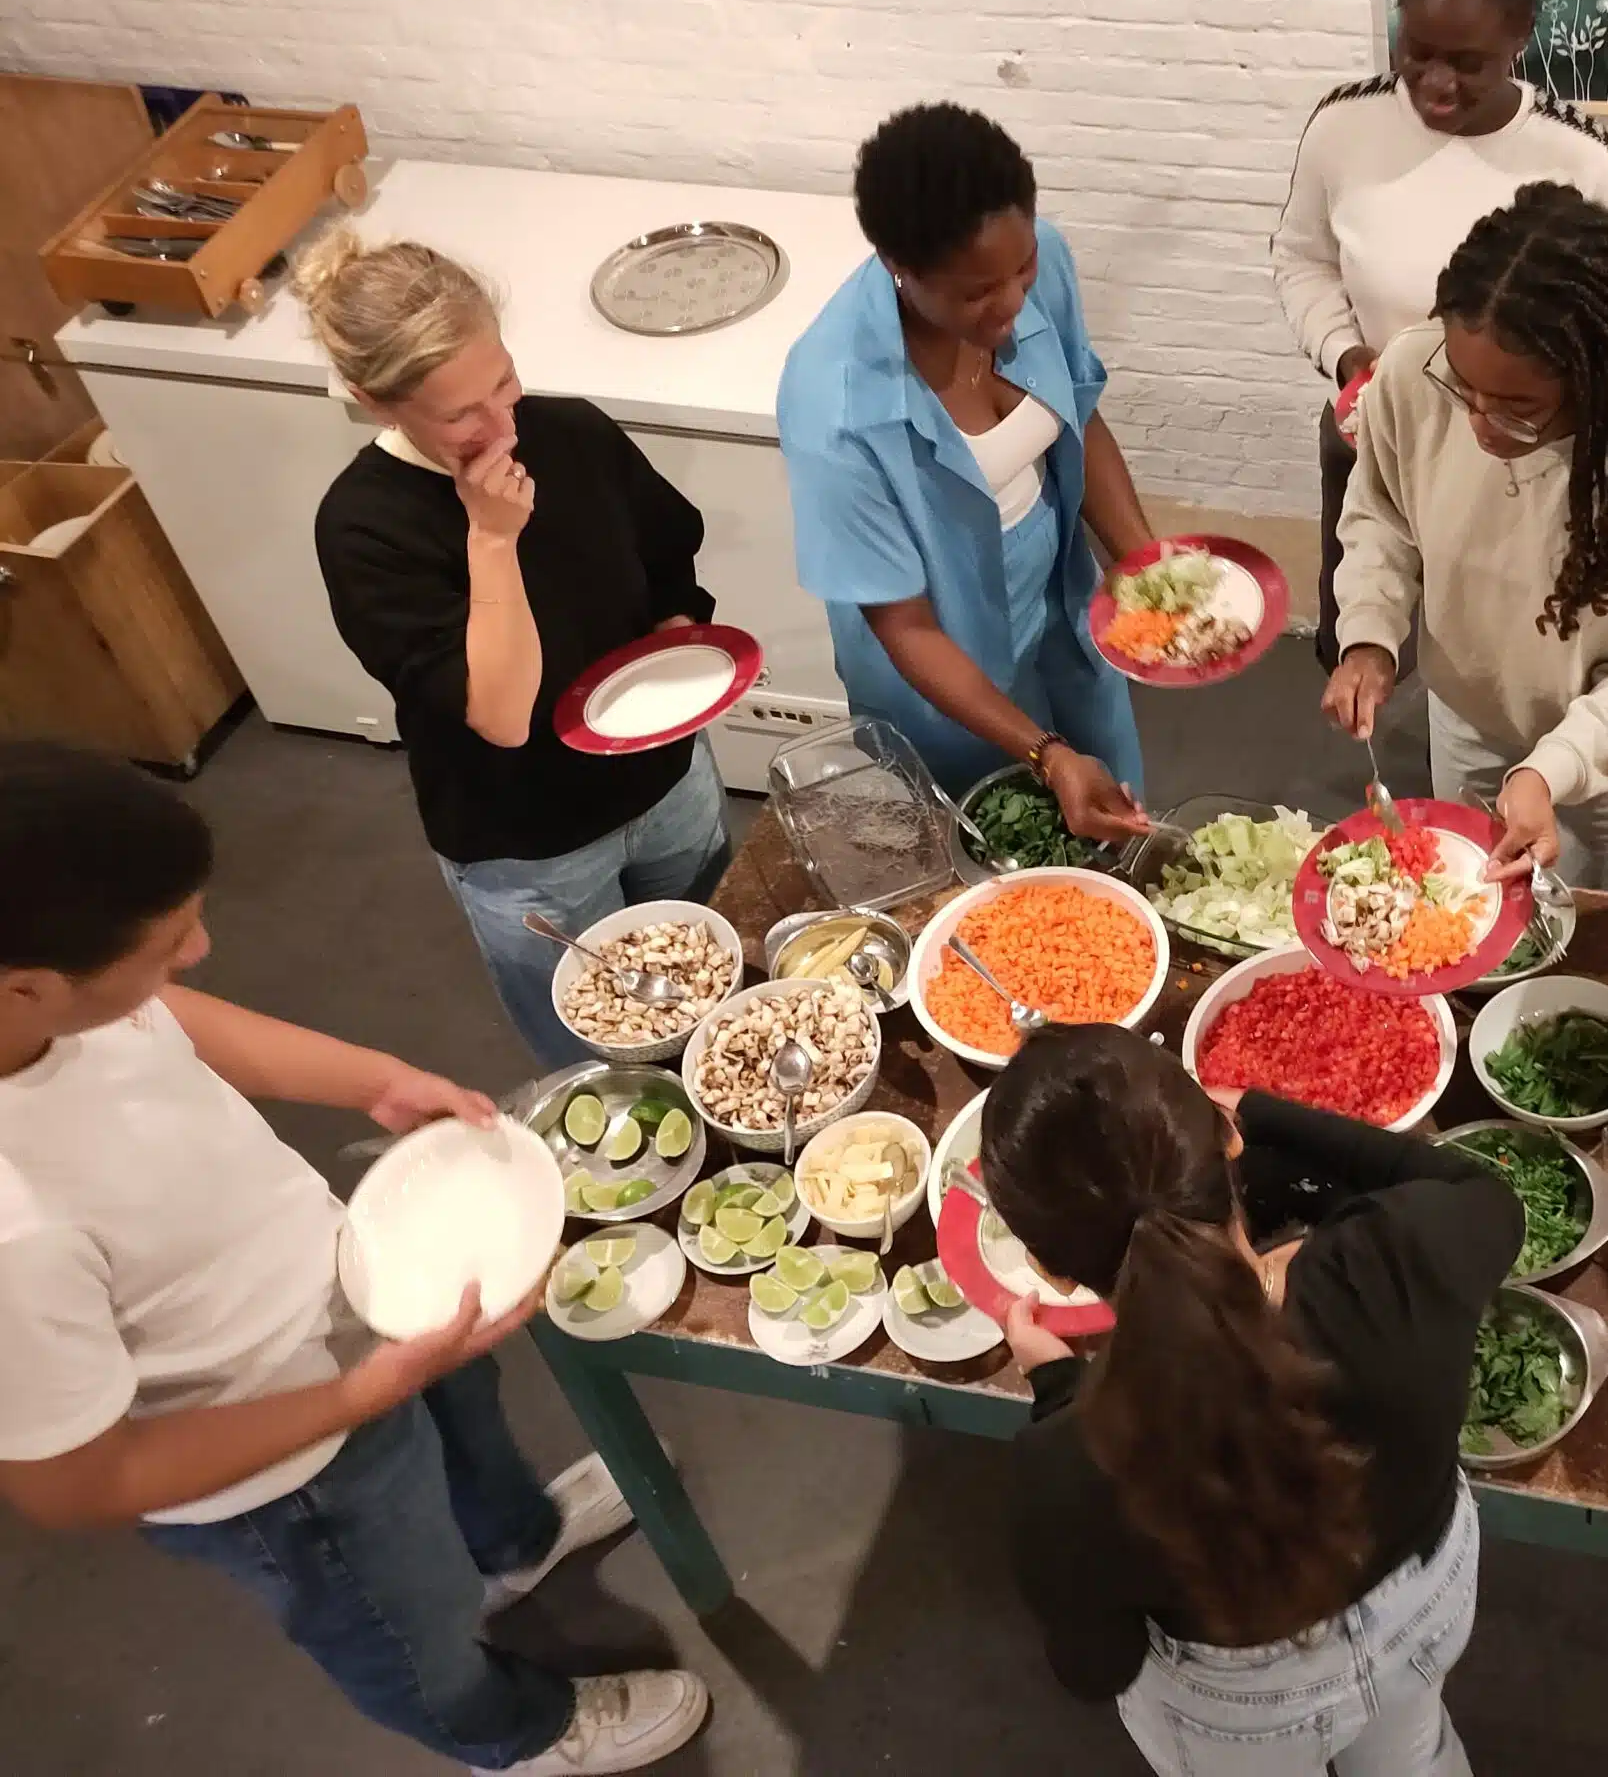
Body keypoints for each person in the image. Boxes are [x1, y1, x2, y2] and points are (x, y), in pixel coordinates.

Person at [0, 740, 709, 1774]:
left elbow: (180, 1023)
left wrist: (374, 1080)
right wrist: (361, 1395)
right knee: (403, 1620)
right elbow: (77, 1484)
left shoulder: (72, 1002)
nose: (199, 950)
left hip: (358, 1280)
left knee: (467, 1434)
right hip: (281, 1469)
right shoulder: (17, 1235)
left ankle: (516, 1542)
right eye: (166, 945)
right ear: (26, 989)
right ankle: (510, 1732)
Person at [984, 1025, 1520, 1776]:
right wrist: (1269, 1112)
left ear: (1050, 1270)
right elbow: (1485, 1193)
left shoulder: (1058, 1468)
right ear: (1229, 1141)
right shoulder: (1392, 1261)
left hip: (1243, 1715)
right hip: (1422, 1606)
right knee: (1413, 1755)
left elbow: (1098, 1667)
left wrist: (1058, 1388)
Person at [303, 231, 732, 1071]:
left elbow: (666, 552)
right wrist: (492, 539)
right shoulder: (363, 529)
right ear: (374, 401)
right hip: (532, 844)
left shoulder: (571, 432)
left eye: (503, 379)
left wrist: (678, 641)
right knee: (603, 1054)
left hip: (667, 777)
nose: (504, 425)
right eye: (460, 413)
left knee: (719, 985)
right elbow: (500, 716)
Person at [1319, 184, 1608, 894]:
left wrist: (1551, 770)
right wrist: (1368, 632)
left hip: (1607, 759)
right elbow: (1383, 515)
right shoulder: (1413, 374)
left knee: (1592, 908)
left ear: (1598, 380)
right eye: (1464, 389)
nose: (1480, 425)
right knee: (1470, 904)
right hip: (1466, 715)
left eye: (1518, 408)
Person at [1273, 0, 1608, 671]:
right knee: (1362, 642)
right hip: (1371, 428)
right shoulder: (1344, 127)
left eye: (1467, 63)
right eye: (1418, 51)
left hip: (1516, 463)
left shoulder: (1578, 160)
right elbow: (1303, 260)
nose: (1435, 84)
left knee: (1495, 660)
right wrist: (1347, 358)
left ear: (1521, 34)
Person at [780, 104, 1150, 839]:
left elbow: (1079, 415)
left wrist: (1147, 565)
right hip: (938, 648)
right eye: (978, 292)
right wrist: (1045, 753)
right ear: (899, 267)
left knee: (1119, 802)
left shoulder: (1038, 257)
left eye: (1022, 269)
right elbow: (906, 625)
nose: (1012, 302)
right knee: (1009, 837)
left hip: (1058, 591)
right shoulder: (837, 406)